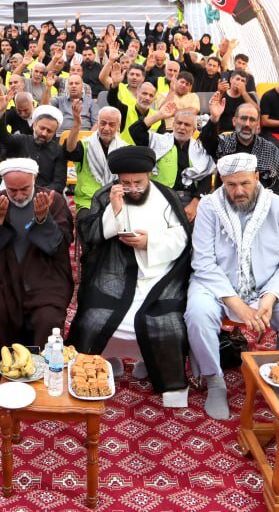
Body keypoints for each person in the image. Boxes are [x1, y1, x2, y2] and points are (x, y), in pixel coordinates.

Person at [185, 152, 279, 419]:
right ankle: (215, 381)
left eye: (245, 183)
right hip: (216, 285)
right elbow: (203, 262)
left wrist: (270, 297)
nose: (239, 191)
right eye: (231, 185)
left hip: (268, 285)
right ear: (221, 182)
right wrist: (236, 303)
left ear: (257, 177)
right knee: (197, 314)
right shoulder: (209, 206)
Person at [71, 147, 192, 407]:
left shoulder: (166, 196)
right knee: (93, 317)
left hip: (159, 274)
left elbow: (182, 237)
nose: (133, 188)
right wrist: (115, 211)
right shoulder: (107, 194)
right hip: (114, 272)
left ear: (149, 175)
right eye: (126, 183)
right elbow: (90, 234)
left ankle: (154, 368)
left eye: (138, 182)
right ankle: (105, 361)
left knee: (167, 322)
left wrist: (150, 242)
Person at [0, 158, 74, 405]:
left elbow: (58, 247)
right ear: (4, 184)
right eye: (13, 190)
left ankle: (42, 389)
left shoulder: (52, 201)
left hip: (43, 278)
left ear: (34, 180)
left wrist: (43, 220)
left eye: (25, 189)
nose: (19, 195)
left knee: (48, 319)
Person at [126, 101, 215, 221]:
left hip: (188, 201)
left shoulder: (200, 149)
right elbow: (135, 131)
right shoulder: (159, 141)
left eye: (187, 125)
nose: (182, 127)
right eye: (179, 123)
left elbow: (206, 178)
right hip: (158, 196)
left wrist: (195, 204)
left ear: (194, 130)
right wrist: (159, 115)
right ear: (173, 125)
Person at [200, 96, 279, 194]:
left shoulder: (271, 150)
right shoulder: (223, 143)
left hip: (261, 200)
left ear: (258, 124)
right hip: (227, 199)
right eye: (243, 118)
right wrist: (214, 118)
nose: (247, 124)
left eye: (252, 120)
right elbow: (206, 140)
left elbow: (278, 184)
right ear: (234, 121)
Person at [0, 102, 68, 194]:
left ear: (55, 132)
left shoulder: (58, 151)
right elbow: (2, 136)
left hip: (44, 196)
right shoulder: (21, 140)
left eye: (49, 131)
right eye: (42, 128)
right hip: (16, 193)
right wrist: (0, 113)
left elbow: (59, 183)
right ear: (34, 125)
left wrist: (37, 195)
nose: (44, 133)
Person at [63, 105, 125, 223]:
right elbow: (70, 150)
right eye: (103, 123)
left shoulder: (124, 149)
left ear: (118, 126)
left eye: (112, 124)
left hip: (116, 200)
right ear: (97, 123)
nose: (106, 128)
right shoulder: (85, 145)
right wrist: (77, 124)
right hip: (88, 203)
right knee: (87, 223)